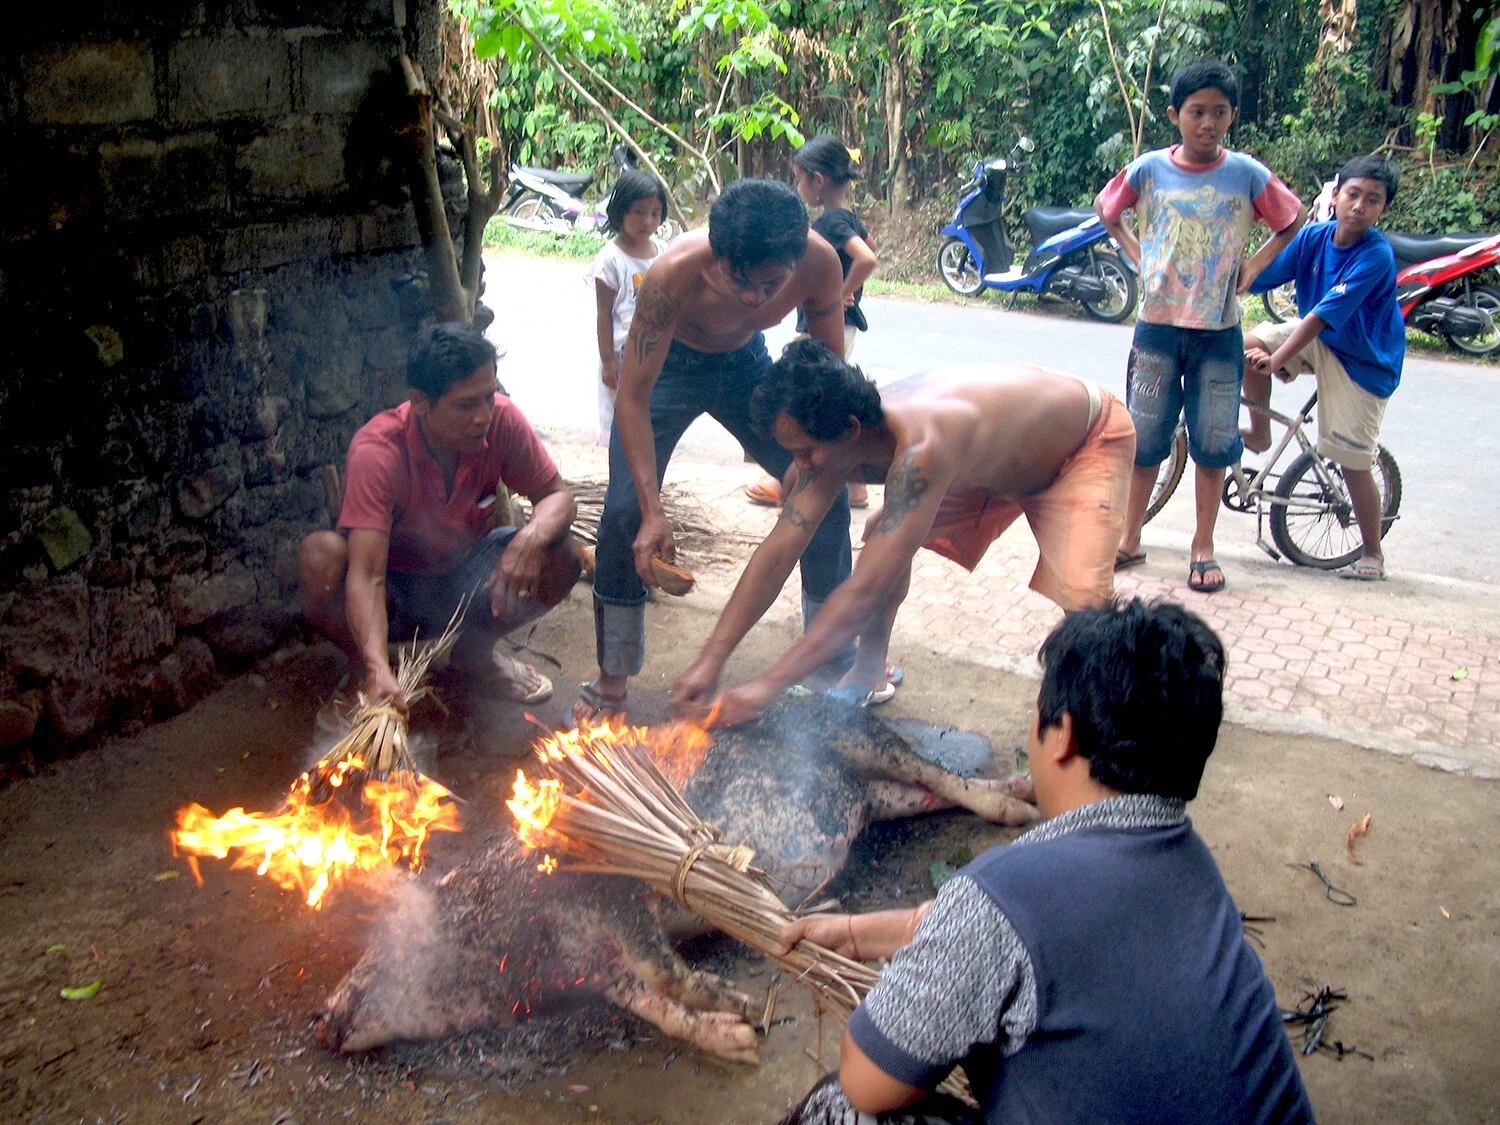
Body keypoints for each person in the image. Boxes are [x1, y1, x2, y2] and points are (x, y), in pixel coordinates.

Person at [773, 599, 1316, 1125]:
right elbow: (997, 933)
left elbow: (868, 1080)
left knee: (840, 1110)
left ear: (1063, 736)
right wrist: (852, 934)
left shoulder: (1002, 893)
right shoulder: (1192, 866)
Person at [672, 341, 1136, 725]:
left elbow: (863, 591)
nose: (799, 467)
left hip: (1082, 440)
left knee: (1088, 612)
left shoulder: (920, 450)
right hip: (991, 457)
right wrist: (712, 658)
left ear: (851, 430)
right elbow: (779, 551)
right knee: (886, 541)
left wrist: (763, 689)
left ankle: (1091, 738)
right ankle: (868, 672)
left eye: (807, 452)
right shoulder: (841, 436)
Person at [571, 178, 856, 725]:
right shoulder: (672, 272)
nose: (752, 298)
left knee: (828, 494)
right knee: (625, 515)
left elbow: (826, 373)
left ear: (795, 261)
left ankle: (829, 655)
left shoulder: (820, 265)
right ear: (716, 255)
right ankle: (612, 680)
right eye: (737, 280)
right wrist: (655, 512)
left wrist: (806, 457)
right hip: (667, 370)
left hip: (746, 366)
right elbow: (631, 396)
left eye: (769, 286)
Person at [1095, 58, 1306, 594]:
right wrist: (1137, 252)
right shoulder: (1147, 169)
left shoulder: (1246, 174)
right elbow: (1108, 209)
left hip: (1219, 331)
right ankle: (1129, 539)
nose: (1207, 123)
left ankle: (1202, 547)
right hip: (1157, 328)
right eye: (1196, 112)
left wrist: (1255, 266)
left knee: (1214, 444)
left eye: (1219, 112)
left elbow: (1291, 218)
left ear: (1232, 115)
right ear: (1175, 115)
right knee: (1144, 441)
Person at [298, 322, 582, 717]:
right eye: (466, 404)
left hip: (465, 577)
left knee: (563, 554)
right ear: (420, 402)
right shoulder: (378, 452)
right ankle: (370, 671)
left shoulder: (501, 420)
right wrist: (377, 663)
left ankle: (476, 654)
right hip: (392, 594)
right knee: (320, 557)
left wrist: (530, 539)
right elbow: (366, 575)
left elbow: (557, 496)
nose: (483, 416)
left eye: (489, 396)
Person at [1243, 154, 1404, 581]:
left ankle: (1373, 554)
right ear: (1335, 196)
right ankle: (1259, 433)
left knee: (1352, 461)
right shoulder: (1314, 237)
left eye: (1372, 200)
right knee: (1248, 344)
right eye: (1352, 194)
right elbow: (1261, 277)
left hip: (1363, 361)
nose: (1359, 206)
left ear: (1382, 210)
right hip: (1321, 340)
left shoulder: (1376, 256)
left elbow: (1320, 316)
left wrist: (1276, 361)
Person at [747, 135, 879, 510]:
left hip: (828, 321)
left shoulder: (833, 221)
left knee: (807, 394)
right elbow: (872, 250)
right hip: (839, 319)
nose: (799, 187)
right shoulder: (849, 216)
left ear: (818, 180)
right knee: (827, 389)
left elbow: (867, 258)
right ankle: (855, 487)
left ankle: (791, 475)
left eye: (801, 179)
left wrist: (839, 292)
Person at [585, 169, 670, 447]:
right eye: (639, 211)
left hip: (656, 354)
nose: (648, 221)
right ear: (621, 211)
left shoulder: (664, 252)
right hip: (622, 358)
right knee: (621, 421)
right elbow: (603, 315)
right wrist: (608, 362)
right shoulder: (610, 260)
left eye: (655, 213)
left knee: (652, 419)